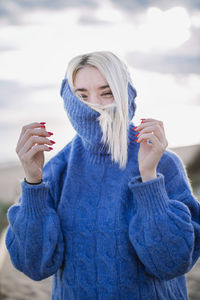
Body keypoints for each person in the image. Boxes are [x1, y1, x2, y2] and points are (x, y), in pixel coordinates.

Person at [5, 51, 200, 300]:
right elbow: (33, 266)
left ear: (124, 95)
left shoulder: (163, 163)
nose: (92, 106)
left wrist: (149, 177)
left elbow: (172, 263)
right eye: (81, 95)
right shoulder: (57, 169)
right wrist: (33, 182)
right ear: (68, 99)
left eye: (106, 93)